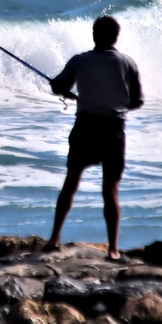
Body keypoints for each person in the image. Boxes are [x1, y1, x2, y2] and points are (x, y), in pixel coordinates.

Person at [44, 15, 143, 259]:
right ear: (115, 37)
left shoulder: (81, 61)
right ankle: (113, 249)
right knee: (110, 190)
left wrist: (66, 89)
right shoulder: (128, 63)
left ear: (94, 35)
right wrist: (116, 104)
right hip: (114, 130)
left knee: (71, 182)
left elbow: (58, 87)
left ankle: (55, 239)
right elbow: (137, 100)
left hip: (86, 127)